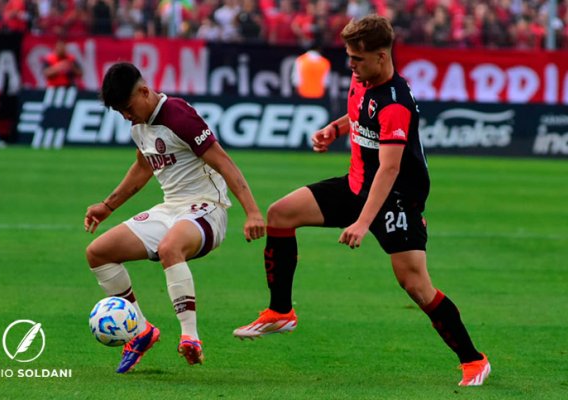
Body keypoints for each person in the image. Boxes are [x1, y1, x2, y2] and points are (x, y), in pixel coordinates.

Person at [233, 15, 491, 387]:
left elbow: (389, 170)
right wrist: (335, 129)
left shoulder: (396, 104)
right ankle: (280, 311)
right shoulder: (362, 78)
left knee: (415, 285)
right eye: (350, 57)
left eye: (357, 59)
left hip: (396, 201)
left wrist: (361, 222)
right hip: (357, 186)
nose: (350, 65)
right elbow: (357, 113)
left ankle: (474, 360)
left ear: (382, 56)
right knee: (280, 214)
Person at [84, 62, 265, 373]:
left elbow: (224, 163)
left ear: (144, 91)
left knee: (170, 248)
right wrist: (107, 206)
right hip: (171, 209)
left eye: (127, 108)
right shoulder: (139, 125)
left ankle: (190, 337)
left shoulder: (179, 116)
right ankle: (140, 331)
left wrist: (252, 211)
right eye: (120, 112)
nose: (126, 116)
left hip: (207, 208)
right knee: (98, 253)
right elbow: (143, 167)